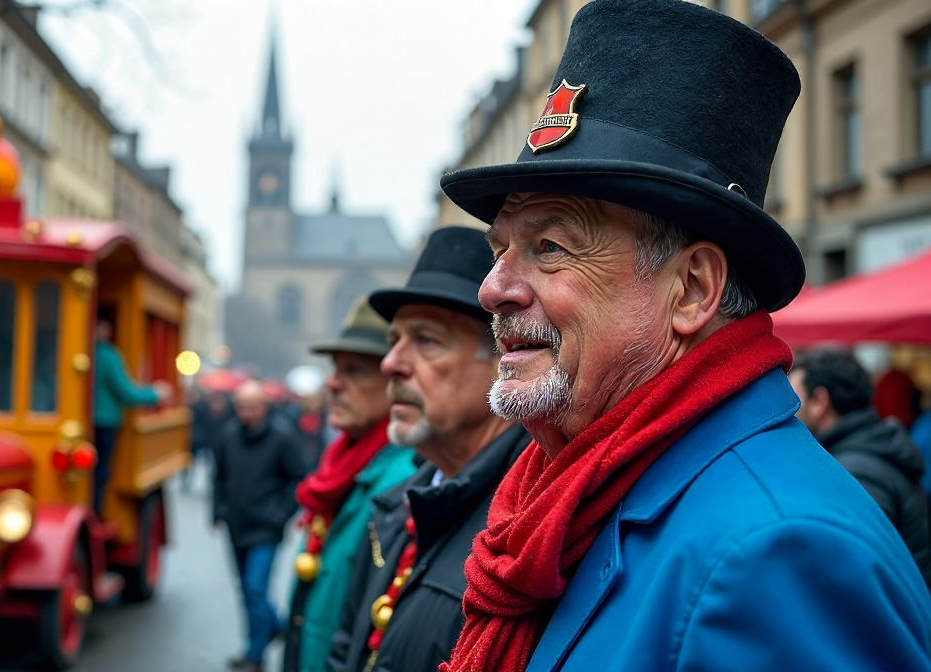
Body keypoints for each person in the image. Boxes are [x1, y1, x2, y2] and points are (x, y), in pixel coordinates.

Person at [429, 2, 931, 671]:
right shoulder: (573, 496)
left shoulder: (776, 554)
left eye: (548, 246)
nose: (493, 288)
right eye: (501, 250)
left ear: (693, 289)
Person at [327, 227, 528, 672]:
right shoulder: (394, 507)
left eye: (427, 341)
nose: (391, 364)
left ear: (503, 357)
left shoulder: (527, 525)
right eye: (393, 340)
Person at [282, 298, 417, 672]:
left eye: (354, 371)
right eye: (335, 368)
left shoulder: (403, 479)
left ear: (396, 380)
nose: (332, 383)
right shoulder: (342, 460)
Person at [789, 349, 931, 584]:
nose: (790, 410)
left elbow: (854, 576)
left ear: (819, 402)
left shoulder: (852, 474)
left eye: (795, 398)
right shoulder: (872, 448)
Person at [214, 379, 309, 672]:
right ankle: (271, 629)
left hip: (265, 529)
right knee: (246, 589)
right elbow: (219, 476)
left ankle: (256, 656)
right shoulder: (229, 434)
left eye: (252, 407)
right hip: (237, 525)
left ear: (264, 407)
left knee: (255, 589)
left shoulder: (282, 437)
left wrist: (279, 515)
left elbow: (297, 479)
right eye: (241, 407)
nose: (246, 413)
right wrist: (219, 511)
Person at [92, 315, 172, 512]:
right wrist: (156, 394)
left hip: (86, 421)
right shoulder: (108, 355)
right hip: (105, 423)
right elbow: (127, 393)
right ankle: (97, 511)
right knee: (101, 472)